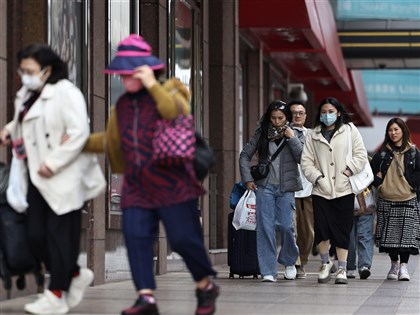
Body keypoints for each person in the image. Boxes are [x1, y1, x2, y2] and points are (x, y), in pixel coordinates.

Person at [84, 34, 219, 315]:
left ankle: (205, 285)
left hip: (173, 183)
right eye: (122, 73)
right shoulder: (122, 106)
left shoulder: (171, 92)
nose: (125, 78)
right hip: (137, 185)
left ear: (147, 70)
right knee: (136, 237)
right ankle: (146, 297)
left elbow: (172, 112)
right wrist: (75, 144)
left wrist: (151, 85)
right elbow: (113, 141)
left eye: (131, 72)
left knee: (183, 239)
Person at [0, 44, 106, 314]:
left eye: (30, 70)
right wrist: (11, 130)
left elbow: (78, 132)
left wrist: (53, 162)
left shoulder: (66, 93)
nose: (25, 75)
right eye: (22, 70)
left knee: (59, 238)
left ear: (47, 69)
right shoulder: (27, 95)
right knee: (36, 236)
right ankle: (72, 275)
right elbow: (27, 123)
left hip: (62, 177)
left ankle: (56, 294)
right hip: (35, 176)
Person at [301, 97, 368, 285]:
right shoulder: (313, 134)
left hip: (343, 190)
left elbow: (361, 155)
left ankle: (342, 269)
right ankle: (325, 264)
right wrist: (318, 178)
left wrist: (348, 171)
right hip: (321, 190)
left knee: (342, 230)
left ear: (338, 112)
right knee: (322, 229)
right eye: (323, 112)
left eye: (331, 112)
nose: (327, 115)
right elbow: (306, 162)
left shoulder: (349, 130)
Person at [239, 100, 303, 282]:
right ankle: (268, 270)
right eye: (273, 118)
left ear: (287, 118)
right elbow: (244, 156)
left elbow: (302, 158)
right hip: (264, 187)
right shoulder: (261, 134)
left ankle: (290, 261)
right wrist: (247, 179)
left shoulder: (296, 133)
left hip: (286, 188)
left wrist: (292, 138)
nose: (276, 121)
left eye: (281, 118)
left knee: (287, 227)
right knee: (265, 229)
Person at [370, 117, 420, 281]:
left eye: (396, 129)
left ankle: (404, 267)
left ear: (403, 131)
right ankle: (394, 264)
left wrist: (411, 184)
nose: (393, 133)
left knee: (406, 236)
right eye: (390, 130)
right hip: (387, 198)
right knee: (390, 236)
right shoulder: (383, 153)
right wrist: (380, 184)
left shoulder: (413, 151)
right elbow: (370, 173)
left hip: (408, 197)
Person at [288, 99, 314, 279]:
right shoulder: (283, 133)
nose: (297, 115)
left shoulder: (312, 135)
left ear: (305, 116)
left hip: (309, 189)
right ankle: (294, 263)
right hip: (288, 189)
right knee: (291, 229)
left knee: (308, 232)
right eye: (294, 113)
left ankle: (302, 260)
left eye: (300, 113)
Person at [346, 186, 375, 280]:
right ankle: (351, 266)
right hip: (349, 202)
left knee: (364, 235)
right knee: (349, 238)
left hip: (365, 201)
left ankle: (363, 266)